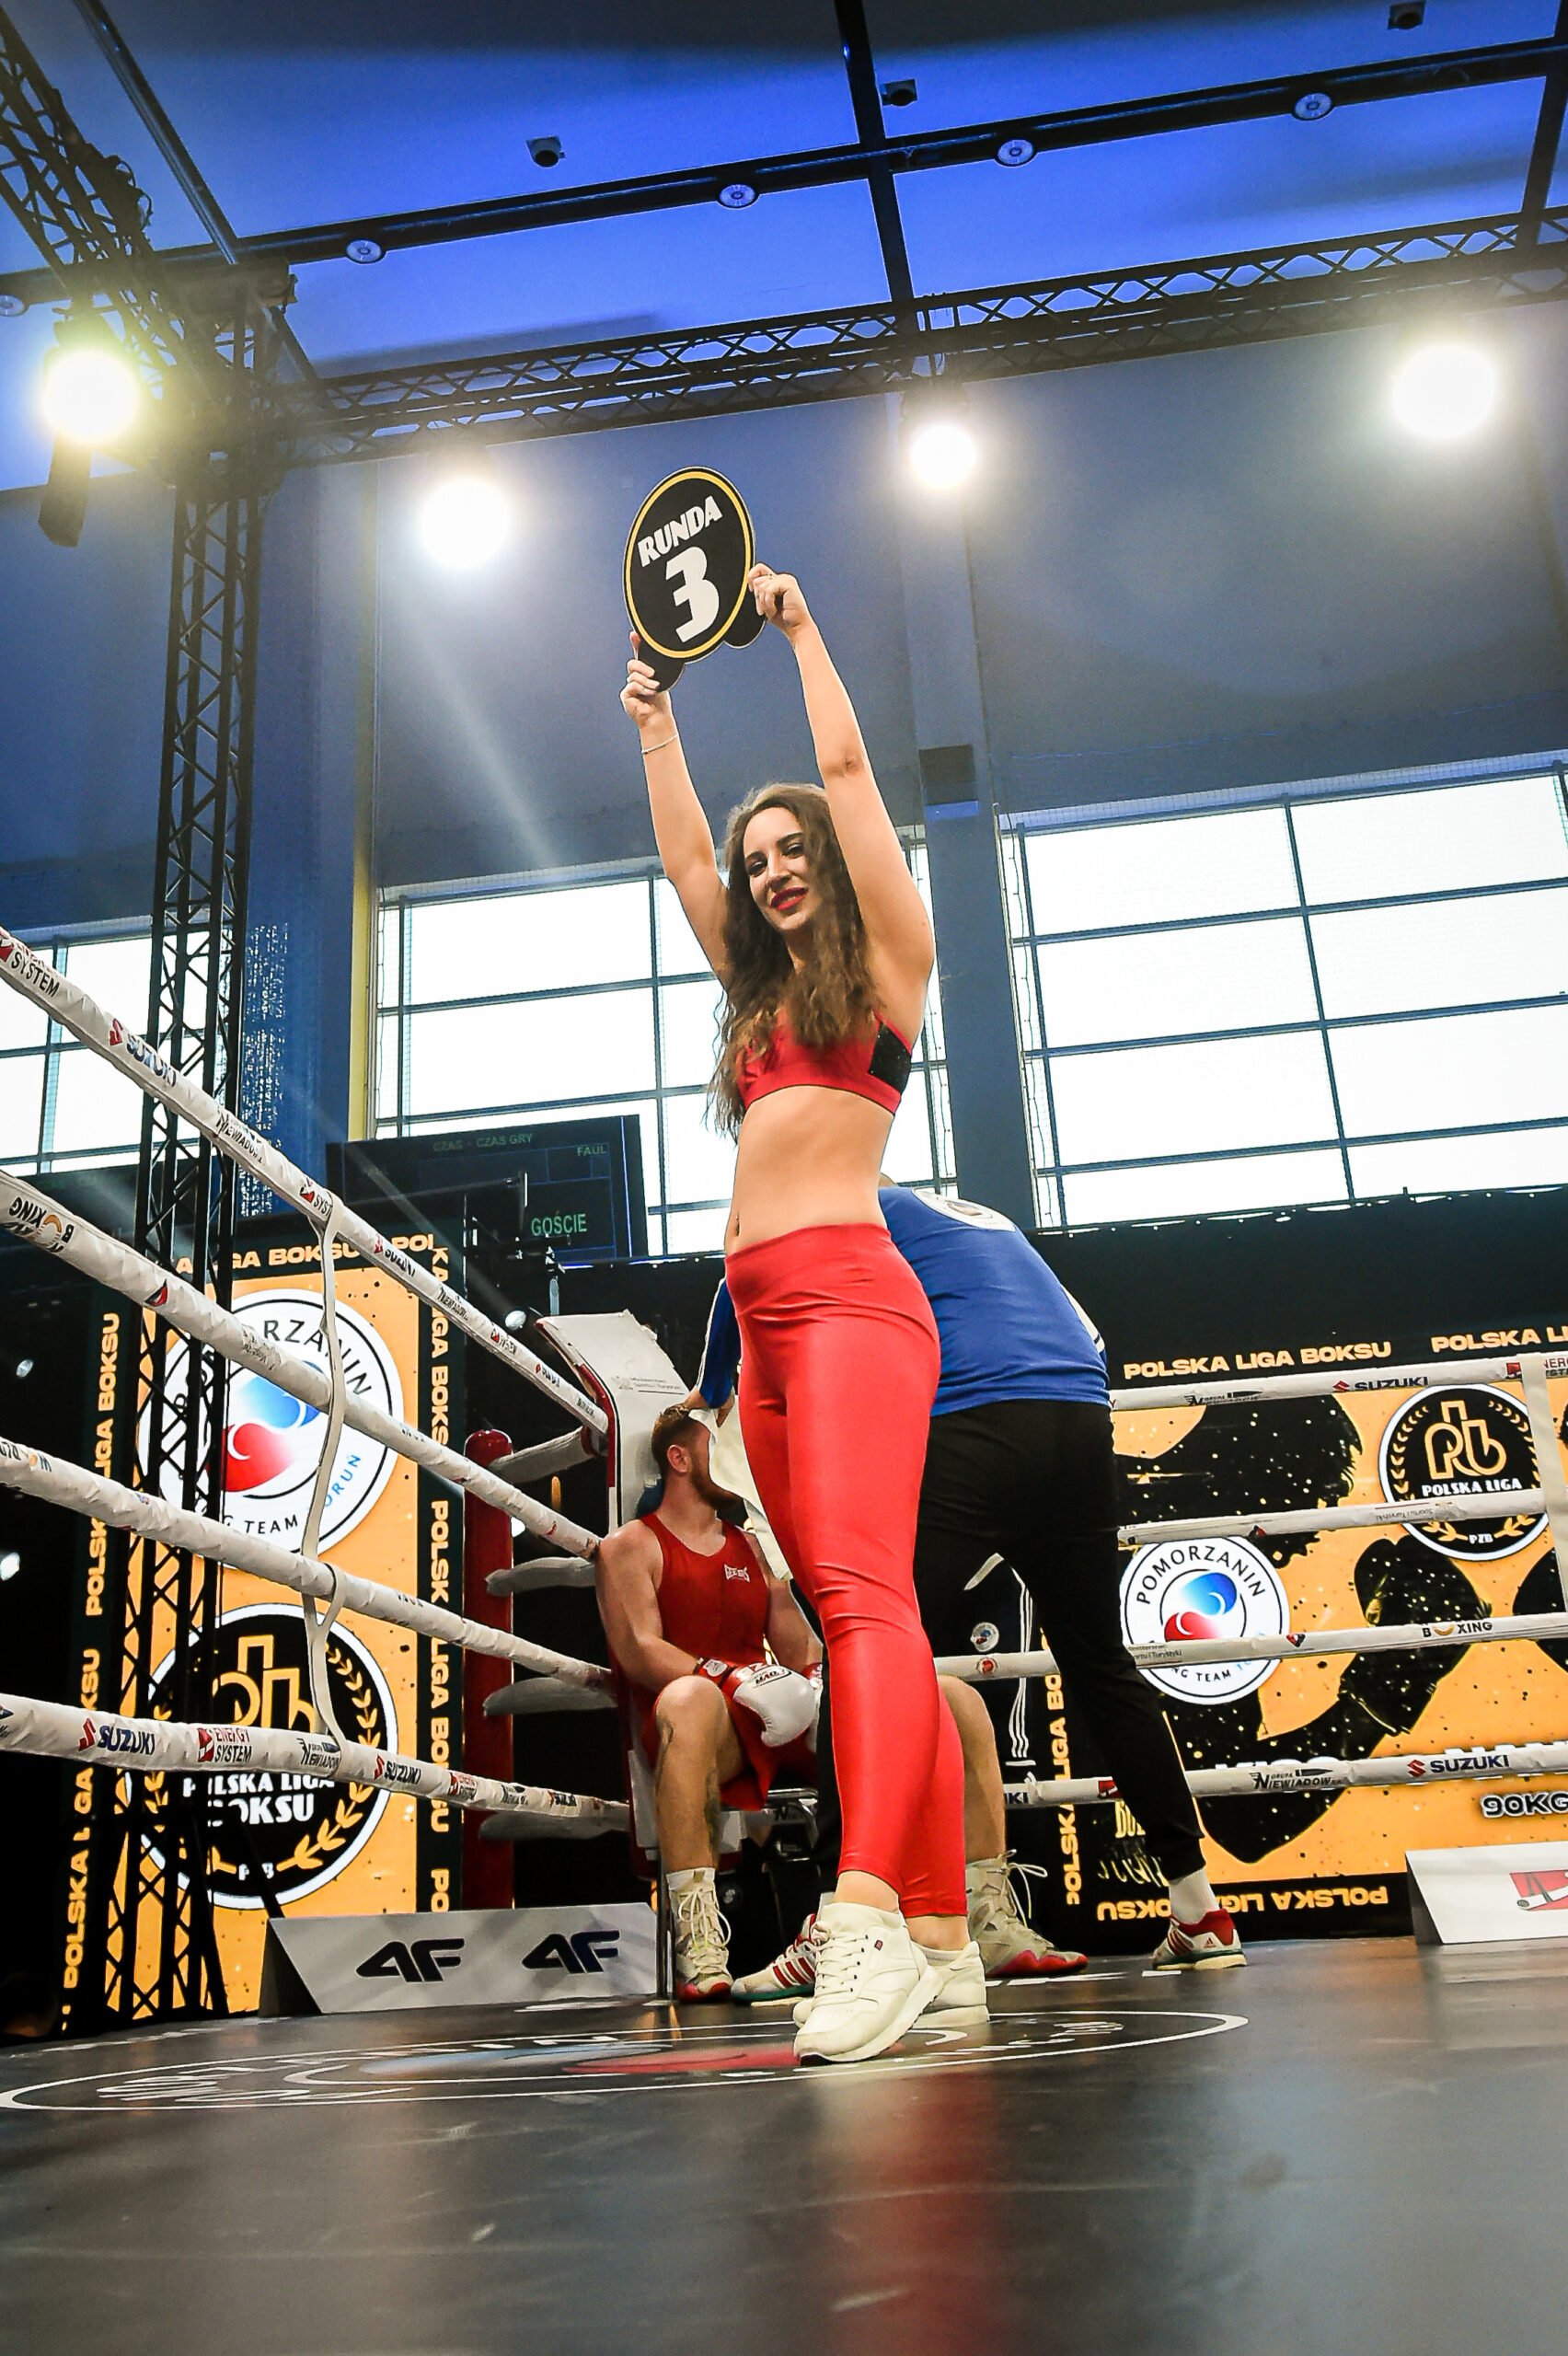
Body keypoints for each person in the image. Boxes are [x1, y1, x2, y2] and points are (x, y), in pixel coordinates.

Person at [621, 568, 978, 2064]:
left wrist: (799, 632)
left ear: (830, 859)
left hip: (850, 1305)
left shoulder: (889, 965)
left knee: (868, 1604)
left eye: (791, 852)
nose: (770, 871)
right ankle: (943, 1933)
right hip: (763, 1334)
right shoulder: (760, 998)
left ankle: (867, 1918)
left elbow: (843, 766)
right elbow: (682, 858)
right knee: (849, 1617)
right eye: (759, 859)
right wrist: (654, 720)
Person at [736, 1183, 1246, 1991]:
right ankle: (1200, 1911)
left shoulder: (841, 1204)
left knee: (865, 1649)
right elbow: (1089, 1333)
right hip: (1077, 1417)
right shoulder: (981, 1218)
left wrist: (710, 1393)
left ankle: (832, 1924)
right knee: (1100, 1662)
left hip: (975, 1418)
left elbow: (750, 1307)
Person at [682, 1291, 1085, 1993]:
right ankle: (840, 1923)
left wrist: (716, 1380)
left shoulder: (888, 1295)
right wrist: (717, 1382)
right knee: (854, 1665)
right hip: (820, 1465)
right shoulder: (748, 1415)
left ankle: (958, 1926)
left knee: (924, 1688)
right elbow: (735, 1284)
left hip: (887, 1449)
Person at [595, 1403, 821, 2001]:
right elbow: (640, 1648)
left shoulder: (754, 1546)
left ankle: (968, 1920)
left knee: (943, 1698)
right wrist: (731, 1679)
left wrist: (822, 1682)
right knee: (691, 1698)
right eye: (716, 1446)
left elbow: (800, 1650)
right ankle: (698, 1939)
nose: (734, 1459)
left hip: (776, 1711)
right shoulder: (630, 1546)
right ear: (678, 1458)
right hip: (702, 1726)